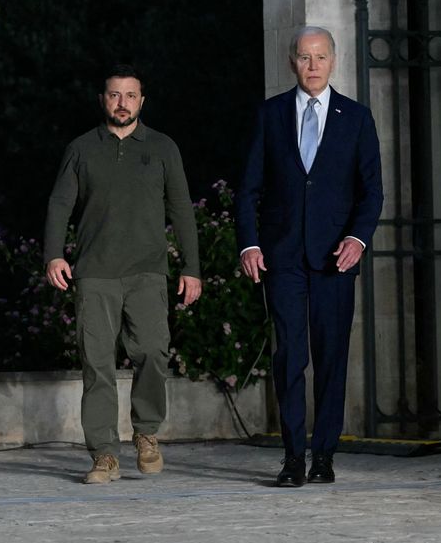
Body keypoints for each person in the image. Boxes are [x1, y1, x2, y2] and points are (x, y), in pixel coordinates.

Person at [236, 26, 383, 487]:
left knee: (331, 357)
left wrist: (357, 239)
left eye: (320, 57)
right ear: (292, 62)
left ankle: (324, 456)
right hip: (283, 259)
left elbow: (372, 191)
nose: (313, 65)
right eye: (304, 57)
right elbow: (248, 189)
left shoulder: (356, 118)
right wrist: (250, 242)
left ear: (333, 61)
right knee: (290, 357)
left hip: (335, 259)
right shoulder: (271, 114)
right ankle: (293, 457)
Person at [44, 64, 202, 484]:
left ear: (141, 101)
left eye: (130, 95)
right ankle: (104, 456)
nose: (122, 103)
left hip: (148, 272)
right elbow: (60, 204)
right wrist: (53, 255)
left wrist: (192, 267)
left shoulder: (163, 147)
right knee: (97, 364)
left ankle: (146, 432)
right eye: (114, 95)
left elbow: (182, 209)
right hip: (95, 273)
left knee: (153, 351)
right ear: (103, 100)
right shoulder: (81, 148)